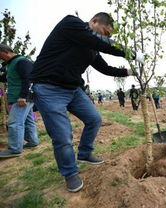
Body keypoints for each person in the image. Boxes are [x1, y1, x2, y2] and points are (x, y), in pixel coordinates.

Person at [30, 12, 144, 192]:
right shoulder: (71, 23)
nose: (106, 37)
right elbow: (99, 42)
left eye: (108, 36)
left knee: (94, 119)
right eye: (105, 33)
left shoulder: (91, 48)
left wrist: (129, 72)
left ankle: (84, 153)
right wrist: (130, 52)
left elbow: (105, 68)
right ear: (94, 21)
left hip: (73, 89)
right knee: (62, 136)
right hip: (49, 88)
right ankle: (69, 172)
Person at [0, 44, 39, 158]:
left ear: (5, 52)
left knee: (14, 122)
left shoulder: (22, 62)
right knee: (28, 121)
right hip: (20, 97)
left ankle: (15, 149)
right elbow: (5, 78)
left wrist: (23, 96)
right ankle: (32, 141)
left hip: (22, 98)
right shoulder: (11, 64)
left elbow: (28, 79)